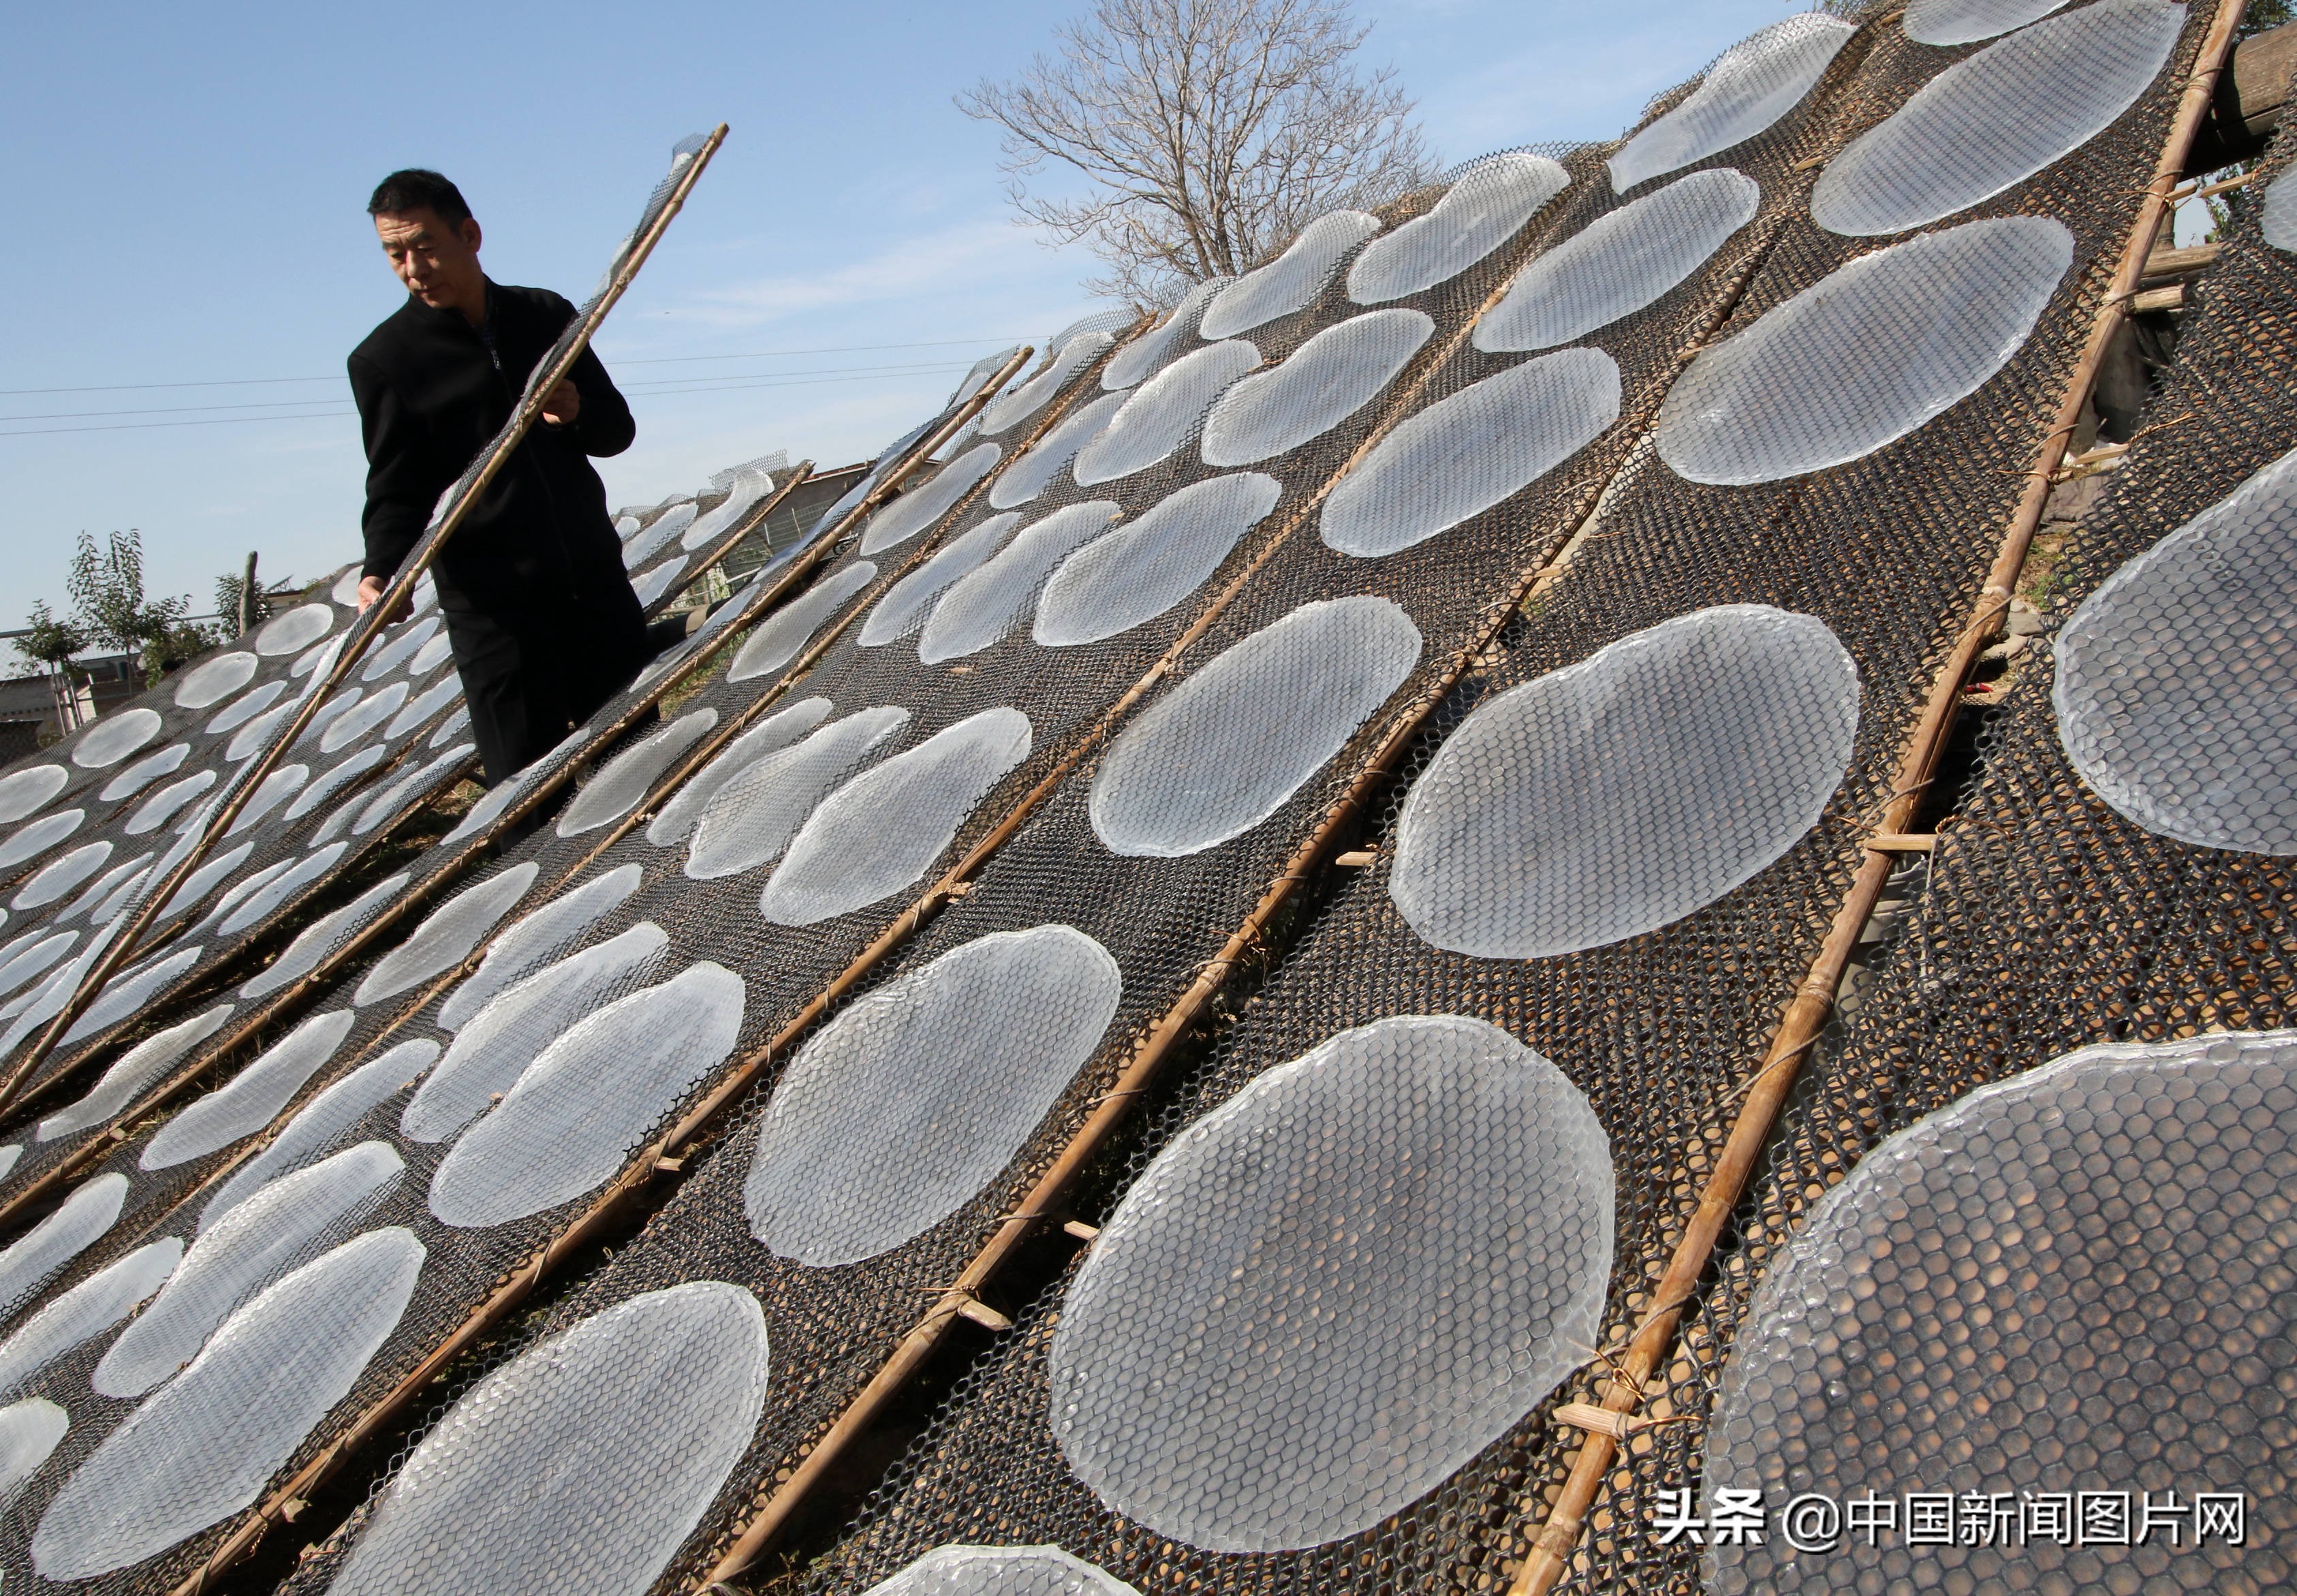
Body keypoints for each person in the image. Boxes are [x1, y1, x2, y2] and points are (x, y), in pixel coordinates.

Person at [348, 168, 651, 787]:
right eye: (394, 253)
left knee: (641, 772)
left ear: (470, 234)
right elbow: (396, 487)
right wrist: (382, 569)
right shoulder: (387, 360)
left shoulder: (545, 316)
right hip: (498, 623)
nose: (413, 267)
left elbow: (616, 431)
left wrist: (574, 413)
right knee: (528, 804)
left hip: (593, 591)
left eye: (425, 246)